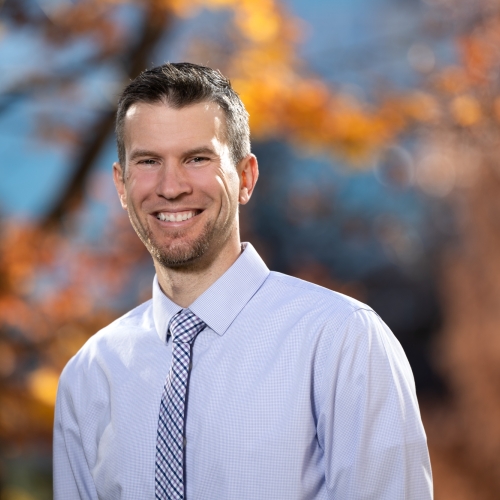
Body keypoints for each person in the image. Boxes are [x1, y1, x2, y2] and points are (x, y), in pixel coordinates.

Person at [53, 62, 433, 499]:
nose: (170, 186)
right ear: (121, 185)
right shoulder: (89, 375)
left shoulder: (339, 340)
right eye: (148, 161)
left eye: (197, 158)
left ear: (246, 177)